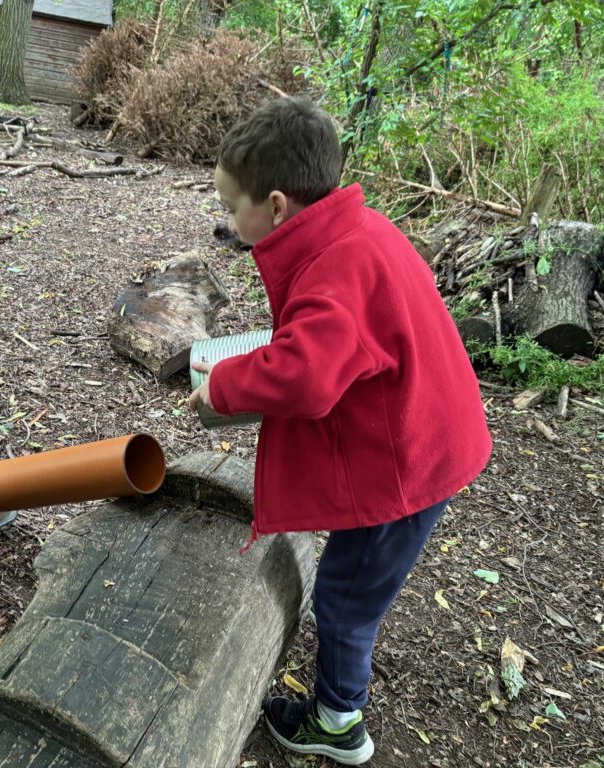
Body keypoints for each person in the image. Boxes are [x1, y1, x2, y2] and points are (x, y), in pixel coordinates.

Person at [188, 97, 492, 766]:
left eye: (230, 204)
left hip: (409, 461)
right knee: (355, 580)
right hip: (422, 430)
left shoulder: (334, 268)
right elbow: (331, 342)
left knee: (345, 595)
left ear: (275, 206)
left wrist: (226, 388)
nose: (226, 219)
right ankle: (341, 691)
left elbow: (306, 377)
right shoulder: (355, 232)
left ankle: (338, 724)